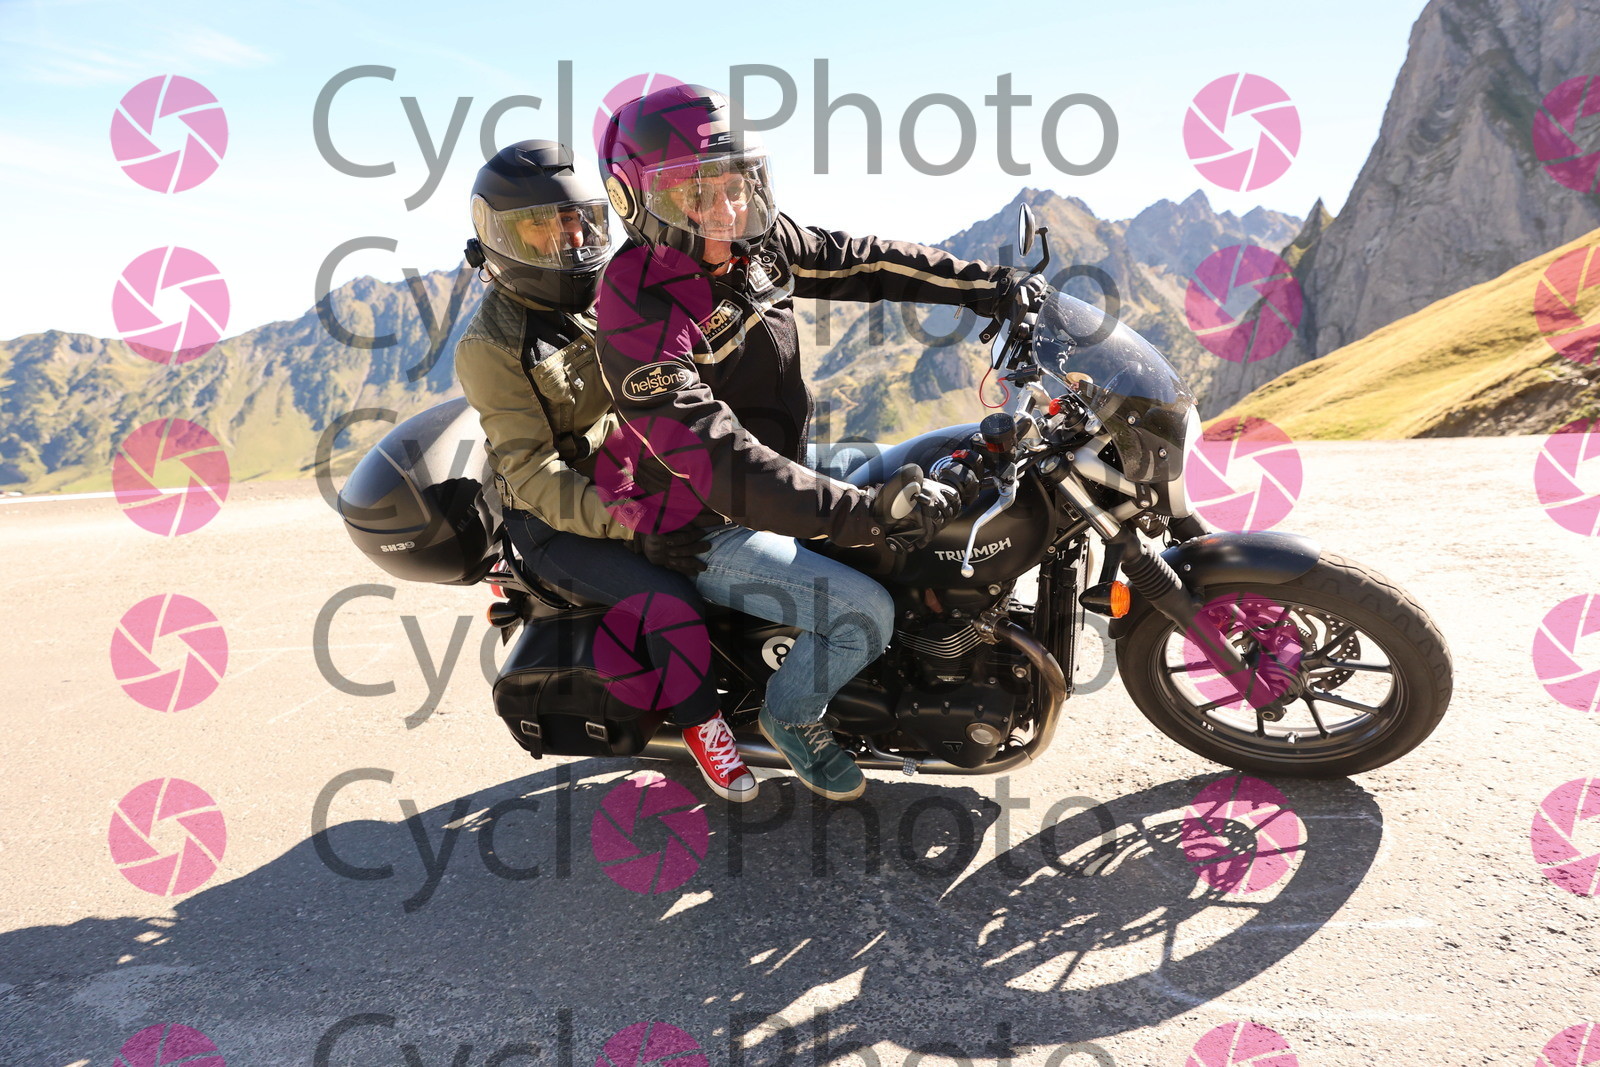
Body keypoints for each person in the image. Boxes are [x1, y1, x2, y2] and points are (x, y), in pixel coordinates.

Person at [593, 85, 1048, 803]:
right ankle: (792, 717)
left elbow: (864, 262)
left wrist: (988, 287)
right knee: (865, 610)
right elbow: (714, 456)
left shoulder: (756, 246)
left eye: (737, 184)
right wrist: (860, 515)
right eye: (696, 194)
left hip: (780, 468)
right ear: (636, 201)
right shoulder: (636, 301)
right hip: (704, 521)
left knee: (931, 476)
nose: (728, 208)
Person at [453, 139, 757, 803]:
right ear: (504, 237)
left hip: (633, 477)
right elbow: (534, 474)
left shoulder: (601, 294)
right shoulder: (492, 346)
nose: (571, 240)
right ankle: (703, 726)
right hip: (555, 521)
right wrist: (636, 524)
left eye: (578, 222)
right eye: (546, 227)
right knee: (670, 600)